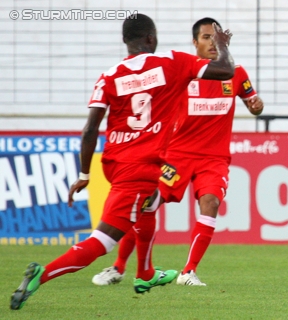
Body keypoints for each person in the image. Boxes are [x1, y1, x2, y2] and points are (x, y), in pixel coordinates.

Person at [10, 13, 235, 310]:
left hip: (117, 165)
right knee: (103, 241)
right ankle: (45, 274)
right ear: (152, 39)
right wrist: (222, 44)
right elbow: (224, 70)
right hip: (141, 168)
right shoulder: (173, 62)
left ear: (124, 41)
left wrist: (84, 174)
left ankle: (146, 272)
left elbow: (90, 129)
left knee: (149, 204)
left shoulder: (109, 76)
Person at [91, 17, 264, 287]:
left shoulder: (236, 72)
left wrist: (255, 105)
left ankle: (188, 272)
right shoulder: (183, 71)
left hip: (214, 158)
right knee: (144, 204)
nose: (212, 42)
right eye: (206, 37)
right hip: (176, 155)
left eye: (215, 37)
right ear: (194, 43)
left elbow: (252, 101)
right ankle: (118, 266)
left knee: (211, 203)